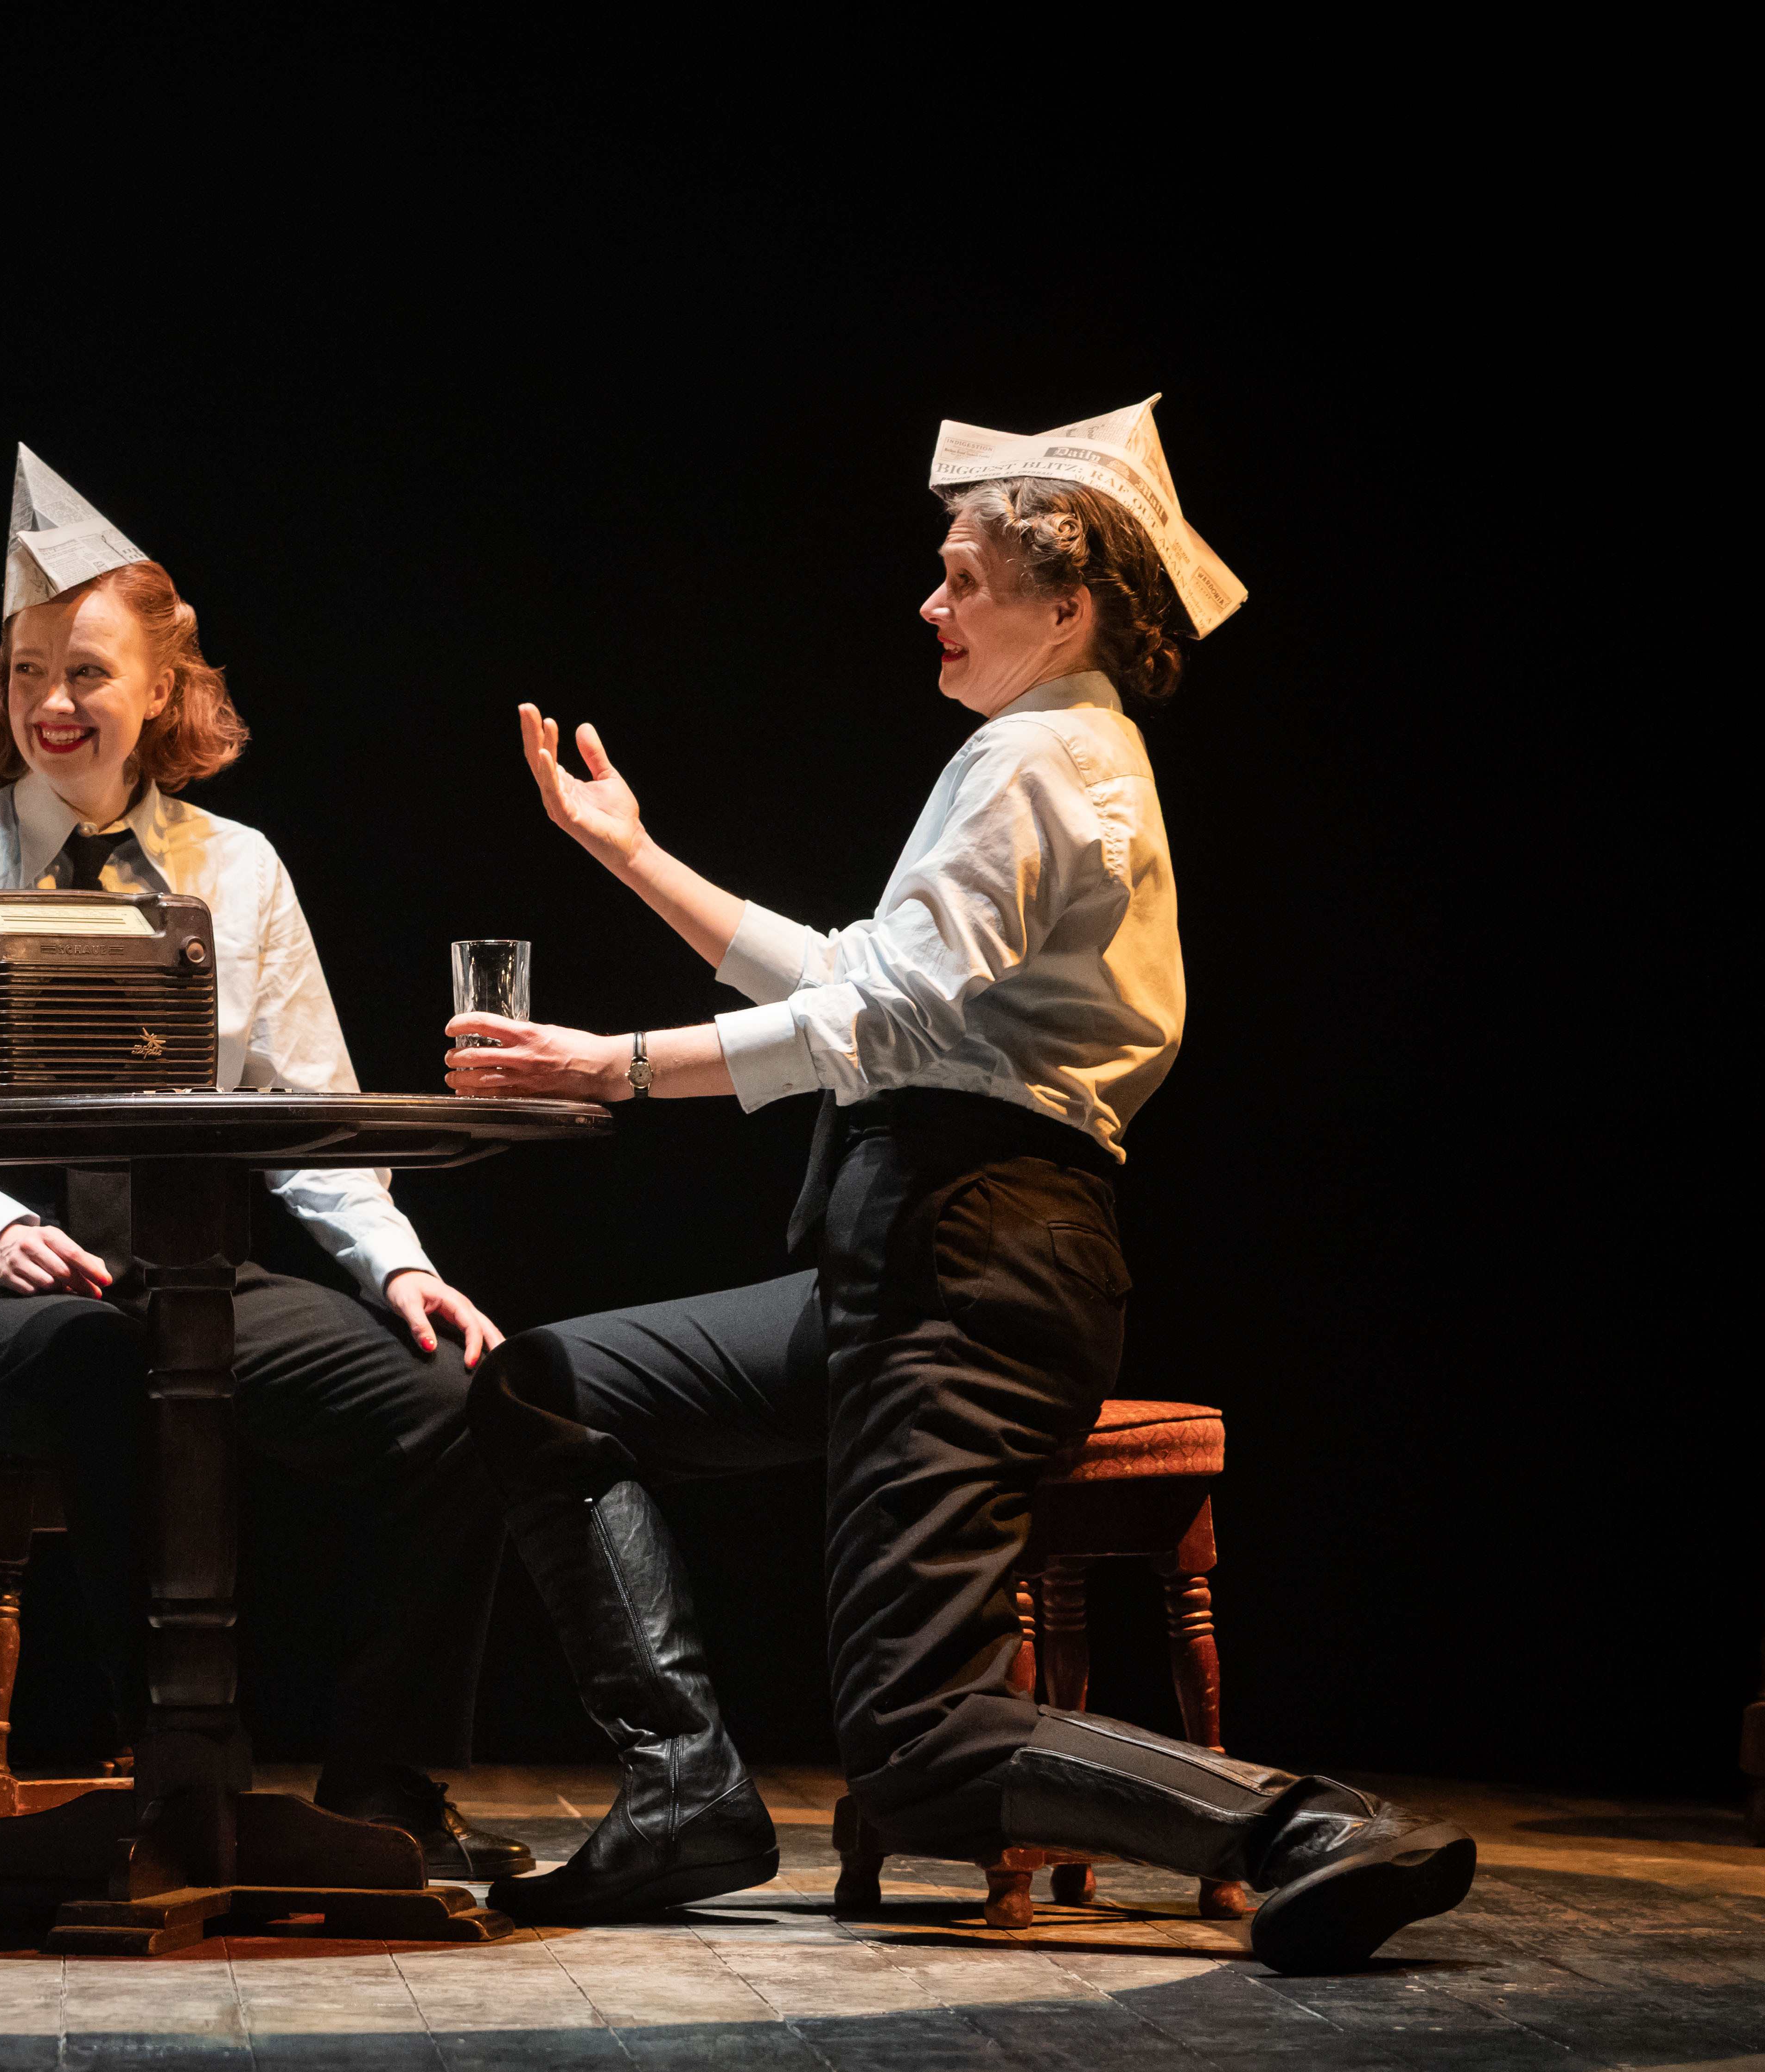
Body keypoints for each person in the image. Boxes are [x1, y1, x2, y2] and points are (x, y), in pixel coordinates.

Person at [444, 398, 1476, 1972]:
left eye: (965, 579)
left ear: (1067, 609)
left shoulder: (1038, 755)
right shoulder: (1054, 751)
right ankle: (685, 1788)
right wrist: (632, 854)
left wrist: (618, 1067)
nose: (932, 604)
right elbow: (870, 975)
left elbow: (885, 1018)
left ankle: (1307, 1825)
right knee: (548, 1388)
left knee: (919, 1736)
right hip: (919, 1256)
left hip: (977, 1261)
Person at [0, 447, 529, 1877]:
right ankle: (181, 1775)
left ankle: (384, 1783)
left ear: (161, 691)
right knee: (107, 1367)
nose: (52, 704)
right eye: (27, 671)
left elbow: (312, 1111)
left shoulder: (238, 868)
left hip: (194, 1276)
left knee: (460, 1402)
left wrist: (400, 1269)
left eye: (86, 673)